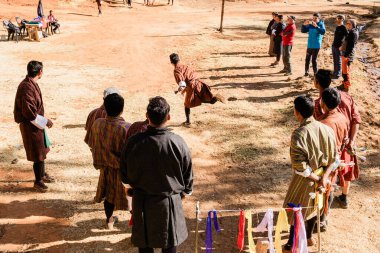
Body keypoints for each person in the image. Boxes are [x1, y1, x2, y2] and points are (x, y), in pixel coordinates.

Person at [120, 96, 193, 253]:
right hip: (170, 202)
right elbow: (188, 176)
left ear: (147, 116)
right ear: (168, 117)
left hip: (142, 201)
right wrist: (184, 193)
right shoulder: (178, 142)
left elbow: (124, 175)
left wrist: (129, 189)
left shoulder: (133, 142)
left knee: (145, 246)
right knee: (169, 245)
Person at [282, 95, 337, 252]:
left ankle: (290, 244)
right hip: (323, 178)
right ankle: (309, 236)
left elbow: (301, 167)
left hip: (306, 180)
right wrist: (324, 179)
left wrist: (318, 178)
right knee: (315, 206)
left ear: (297, 112)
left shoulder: (299, 134)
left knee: (295, 209)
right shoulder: (327, 129)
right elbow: (334, 159)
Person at [313, 69, 361, 209]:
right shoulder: (345, 96)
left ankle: (325, 210)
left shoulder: (319, 103)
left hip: (331, 147)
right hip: (347, 141)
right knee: (346, 169)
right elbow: (356, 119)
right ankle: (344, 198)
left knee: (330, 176)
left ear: (316, 83)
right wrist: (351, 141)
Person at [88, 93, 131, 229]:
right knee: (131, 197)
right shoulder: (126, 128)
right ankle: (135, 226)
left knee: (108, 196)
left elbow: (92, 143)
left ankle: (109, 220)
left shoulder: (97, 123)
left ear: (105, 108)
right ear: (122, 109)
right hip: (122, 173)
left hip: (105, 168)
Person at [14, 61, 55, 192]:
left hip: (36, 124)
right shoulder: (26, 87)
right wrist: (46, 121)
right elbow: (29, 113)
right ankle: (38, 181)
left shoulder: (31, 84)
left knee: (42, 150)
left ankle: (42, 174)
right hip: (30, 125)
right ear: (40, 72)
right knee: (38, 153)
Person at [318, 87, 349, 231]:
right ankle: (324, 218)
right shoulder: (343, 118)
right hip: (335, 160)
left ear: (323, 103)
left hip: (323, 163)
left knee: (322, 189)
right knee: (330, 187)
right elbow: (346, 139)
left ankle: (319, 220)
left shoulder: (324, 124)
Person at [170, 53, 225, 126]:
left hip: (191, 86)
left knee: (187, 105)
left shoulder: (177, 70)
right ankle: (215, 98)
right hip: (199, 83)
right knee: (206, 100)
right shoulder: (185, 66)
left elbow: (182, 84)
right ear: (179, 59)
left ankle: (188, 122)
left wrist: (178, 90)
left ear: (171, 62)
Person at [339, 19, 359, 91]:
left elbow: (350, 46)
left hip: (347, 54)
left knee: (345, 72)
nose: (347, 25)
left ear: (353, 25)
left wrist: (345, 56)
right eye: (347, 23)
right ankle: (344, 84)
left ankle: (346, 87)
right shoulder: (353, 31)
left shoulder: (352, 33)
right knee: (345, 71)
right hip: (347, 53)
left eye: (349, 24)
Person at [331, 15, 348, 79]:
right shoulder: (337, 27)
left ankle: (338, 74)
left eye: (338, 19)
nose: (337, 20)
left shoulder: (344, 28)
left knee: (338, 61)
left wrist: (342, 46)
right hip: (334, 46)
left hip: (339, 47)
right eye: (337, 18)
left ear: (342, 19)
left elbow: (347, 38)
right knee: (335, 60)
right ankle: (335, 72)